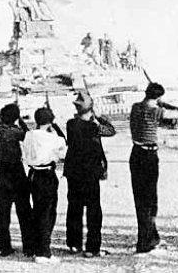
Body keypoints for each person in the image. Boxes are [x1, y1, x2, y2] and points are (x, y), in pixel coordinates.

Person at [129, 82, 178, 253]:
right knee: (150, 199)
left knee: (141, 198)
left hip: (136, 153)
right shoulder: (156, 111)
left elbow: (146, 106)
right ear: (159, 97)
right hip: (149, 156)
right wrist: (167, 104)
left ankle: (149, 236)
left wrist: (159, 102)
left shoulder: (135, 107)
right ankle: (146, 240)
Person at [64, 91, 116, 258]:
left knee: (74, 208)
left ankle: (74, 243)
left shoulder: (70, 124)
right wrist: (99, 116)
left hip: (73, 172)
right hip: (90, 172)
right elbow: (111, 130)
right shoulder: (94, 127)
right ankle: (92, 247)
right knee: (94, 210)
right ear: (91, 109)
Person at [22, 107, 67, 264]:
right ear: (50, 121)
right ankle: (43, 252)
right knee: (47, 214)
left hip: (33, 174)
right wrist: (55, 128)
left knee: (38, 211)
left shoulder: (29, 135)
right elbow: (63, 150)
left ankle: (37, 247)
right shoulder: (53, 138)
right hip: (47, 174)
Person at [0, 103, 35, 257]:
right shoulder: (14, 131)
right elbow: (28, 136)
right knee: (23, 210)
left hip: (1, 170)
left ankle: (4, 246)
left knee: (4, 210)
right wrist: (20, 121)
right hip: (15, 169)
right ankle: (29, 245)